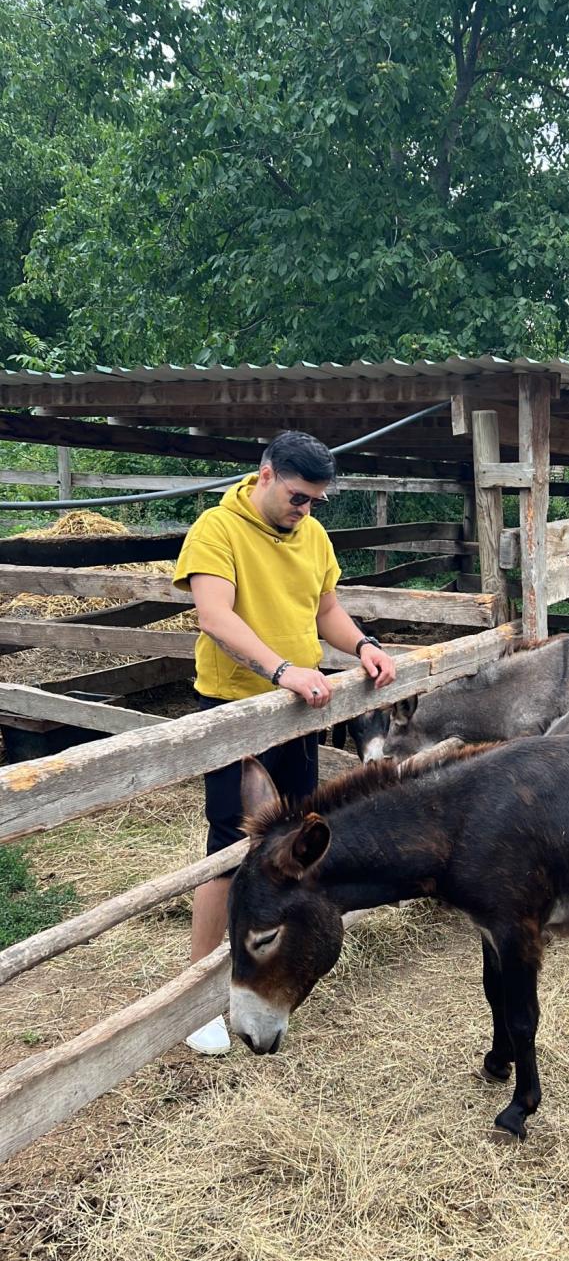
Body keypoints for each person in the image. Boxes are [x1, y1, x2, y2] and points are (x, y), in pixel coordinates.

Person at [173, 430, 397, 1054]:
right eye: (299, 497)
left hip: (298, 710)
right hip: (237, 708)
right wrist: (281, 670)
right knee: (227, 846)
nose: (306, 510)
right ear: (266, 475)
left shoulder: (312, 536)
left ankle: (280, 968)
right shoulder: (217, 529)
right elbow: (214, 616)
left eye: (315, 501)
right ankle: (199, 996)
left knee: (297, 843)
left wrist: (363, 646)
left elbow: (326, 609)